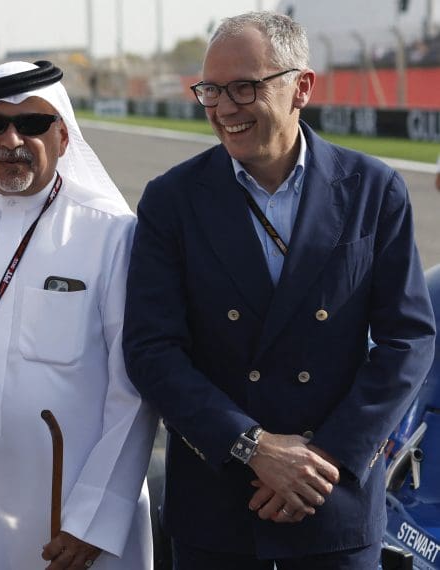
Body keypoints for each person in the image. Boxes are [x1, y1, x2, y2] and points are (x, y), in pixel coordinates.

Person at [123, 11, 436, 569]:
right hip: (219, 504)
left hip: (332, 501)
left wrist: (325, 459)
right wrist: (252, 447)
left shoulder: (373, 190)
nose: (223, 108)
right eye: (210, 90)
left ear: (302, 87)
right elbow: (151, 350)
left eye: (244, 87)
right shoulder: (172, 200)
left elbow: (407, 341)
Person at [0, 61, 156, 570]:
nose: (10, 138)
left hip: (71, 497)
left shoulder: (111, 233)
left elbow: (136, 390)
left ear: (62, 135)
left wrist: (94, 517)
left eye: (32, 124)